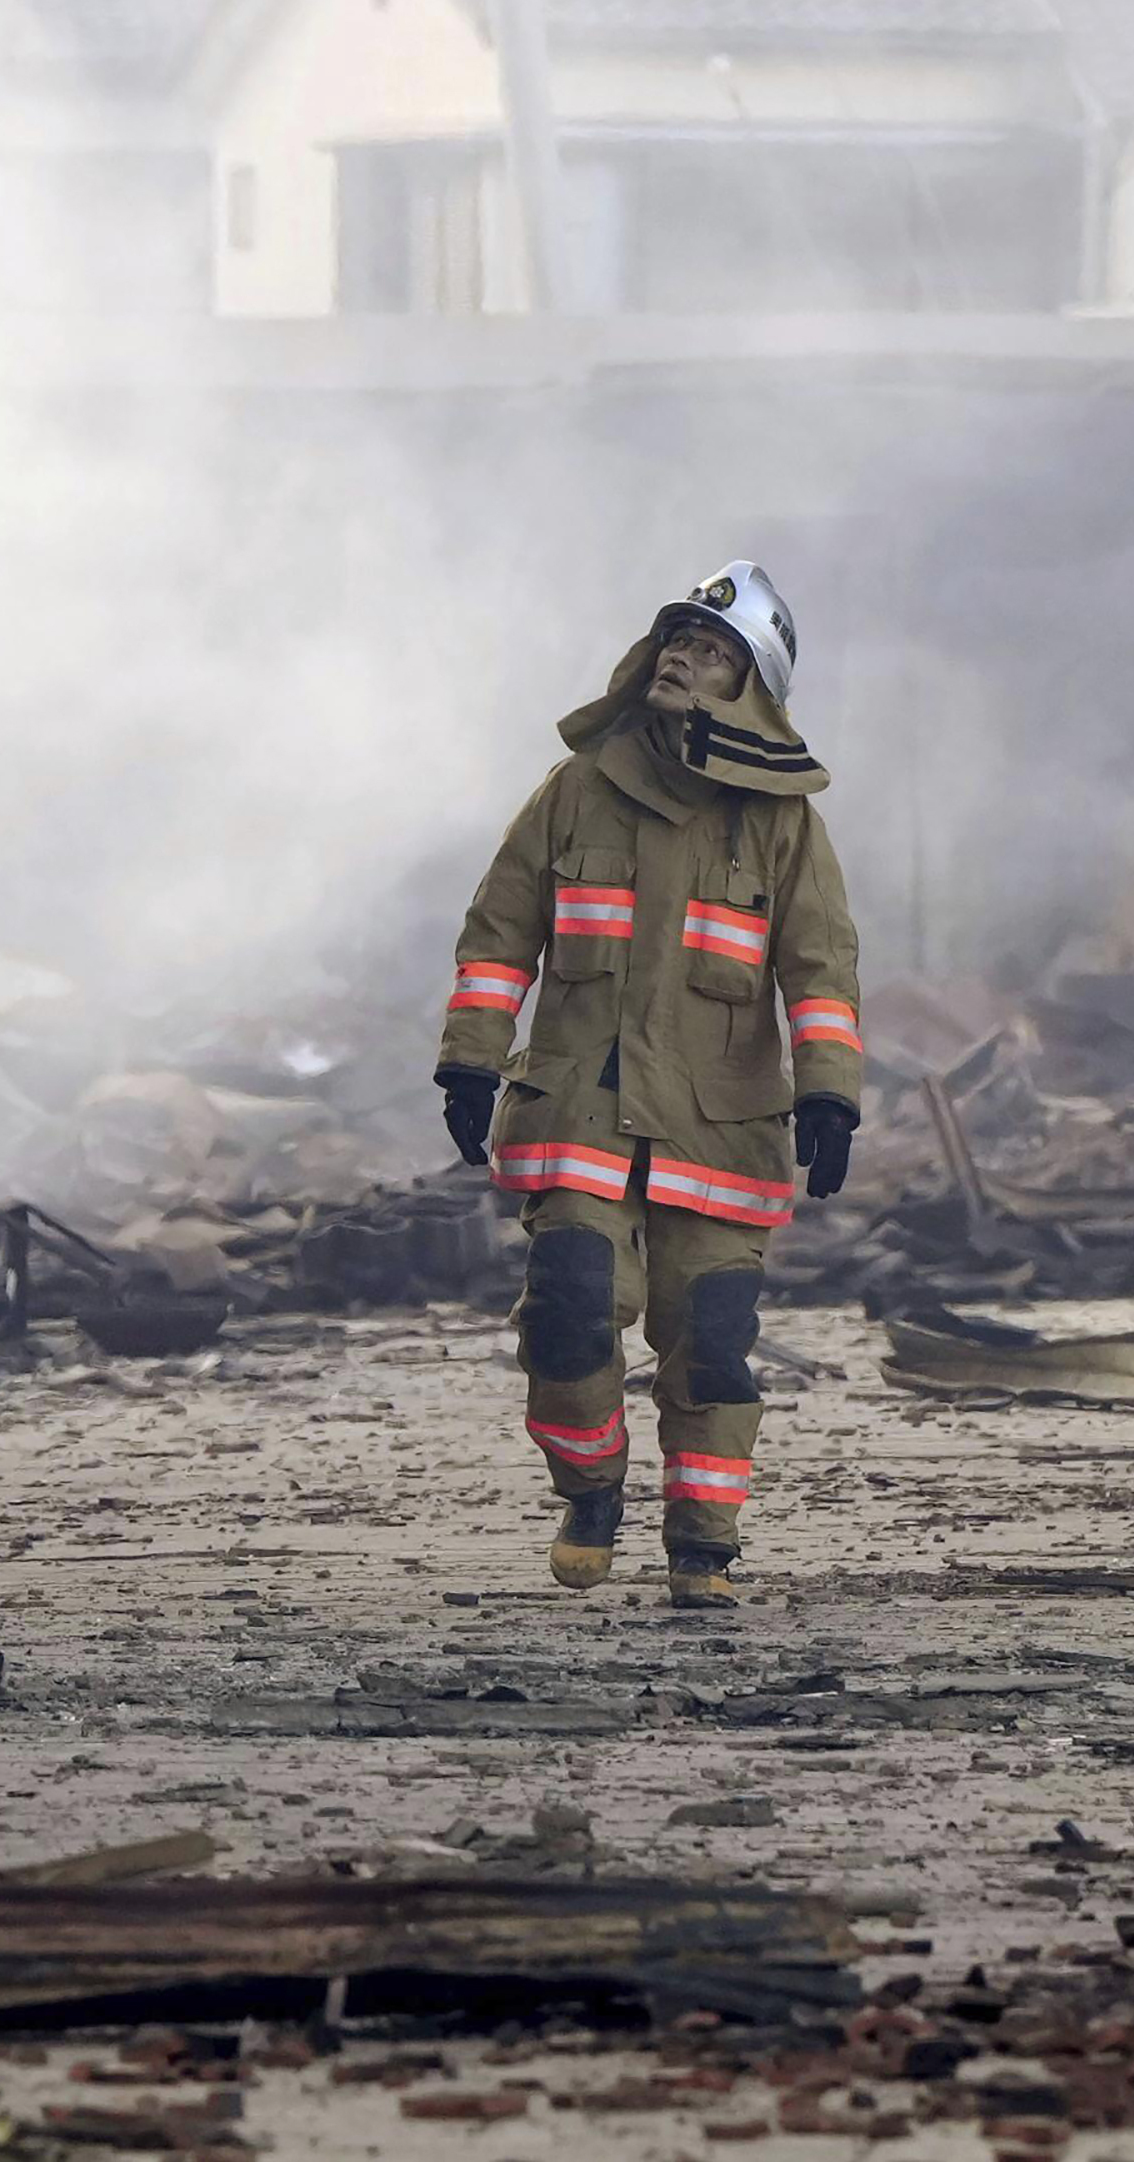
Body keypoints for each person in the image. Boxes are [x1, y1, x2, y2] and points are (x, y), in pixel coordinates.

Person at [434, 563, 862, 1609]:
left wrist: (830, 1091)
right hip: (581, 1108)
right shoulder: (578, 789)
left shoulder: (783, 826)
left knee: (710, 1345)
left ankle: (702, 1545)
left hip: (718, 1130)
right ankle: (590, 1489)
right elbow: (499, 938)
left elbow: (820, 969)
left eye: (708, 649)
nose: (678, 655)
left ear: (748, 685)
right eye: (673, 637)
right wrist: (469, 1057)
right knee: (572, 1311)